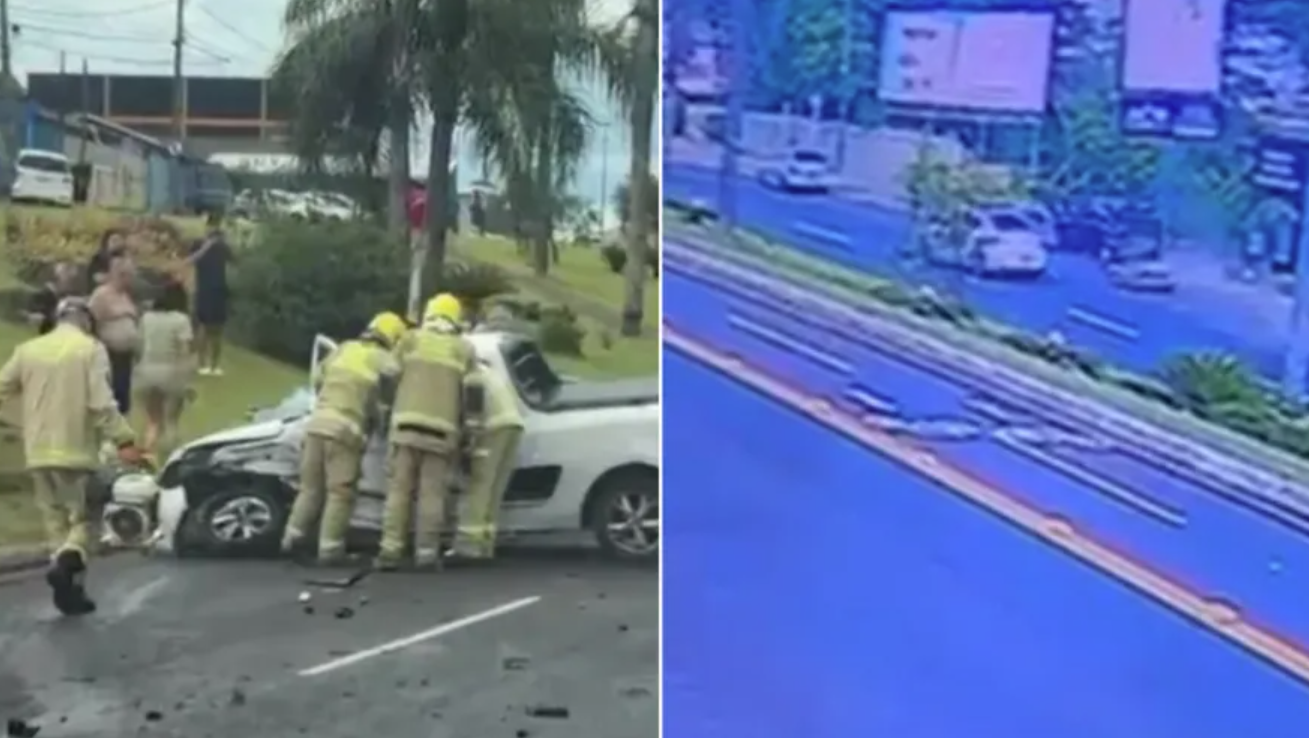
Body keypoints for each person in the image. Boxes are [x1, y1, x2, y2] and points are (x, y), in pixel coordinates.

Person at [0, 297, 142, 616]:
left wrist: (20, 419)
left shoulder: (28, 350)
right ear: (86, 321)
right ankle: (67, 567)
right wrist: (124, 439)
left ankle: (70, 591)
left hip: (37, 450)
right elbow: (100, 402)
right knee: (84, 519)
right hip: (76, 450)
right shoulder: (90, 350)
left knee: (54, 521)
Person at [281, 311, 405, 565]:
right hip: (345, 431)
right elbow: (390, 395)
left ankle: (291, 539)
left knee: (310, 489)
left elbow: (318, 380)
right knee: (340, 492)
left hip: (316, 425)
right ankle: (330, 550)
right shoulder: (383, 359)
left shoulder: (344, 349)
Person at [377, 293, 475, 571]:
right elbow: (475, 394)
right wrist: (470, 432)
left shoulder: (410, 340)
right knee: (432, 496)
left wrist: (385, 412)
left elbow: (386, 376)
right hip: (442, 434)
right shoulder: (463, 349)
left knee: (399, 492)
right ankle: (426, 554)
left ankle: (390, 552)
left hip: (405, 429)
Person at [449, 362, 524, 560]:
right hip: (513, 426)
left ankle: (467, 546)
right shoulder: (489, 371)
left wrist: (468, 445)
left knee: (478, 486)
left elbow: (473, 418)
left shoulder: (471, 377)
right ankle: (486, 544)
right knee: (494, 489)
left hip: (493, 429)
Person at [134, 279, 197, 461]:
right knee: (171, 420)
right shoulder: (181, 320)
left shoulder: (147, 318)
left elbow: (139, 345)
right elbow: (184, 352)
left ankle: (148, 452)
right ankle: (173, 457)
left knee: (153, 420)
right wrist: (187, 381)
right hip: (171, 372)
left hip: (147, 371)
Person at [88, 248, 140, 414]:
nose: (129, 279)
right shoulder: (101, 295)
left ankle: (119, 428)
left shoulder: (126, 296)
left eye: (131, 276)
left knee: (123, 394)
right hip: (108, 353)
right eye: (125, 275)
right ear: (115, 274)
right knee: (110, 392)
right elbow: (91, 320)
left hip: (126, 355)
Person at [186, 212, 235, 376]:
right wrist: (207, 245)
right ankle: (201, 364)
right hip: (204, 289)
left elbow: (234, 262)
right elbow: (190, 261)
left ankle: (215, 365)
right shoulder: (198, 244)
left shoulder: (223, 246)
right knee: (203, 328)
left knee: (218, 330)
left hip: (220, 290)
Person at [25, 261, 79, 335]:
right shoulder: (42, 295)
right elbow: (36, 319)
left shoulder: (69, 297)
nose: (73, 275)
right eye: (68, 271)